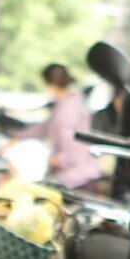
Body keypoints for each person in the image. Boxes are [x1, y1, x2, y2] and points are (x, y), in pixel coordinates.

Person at [17, 62, 107, 195]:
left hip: (76, 182)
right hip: (79, 177)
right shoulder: (68, 103)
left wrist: (39, 161)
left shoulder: (67, 111)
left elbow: (72, 153)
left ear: (50, 85)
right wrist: (17, 139)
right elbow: (45, 127)